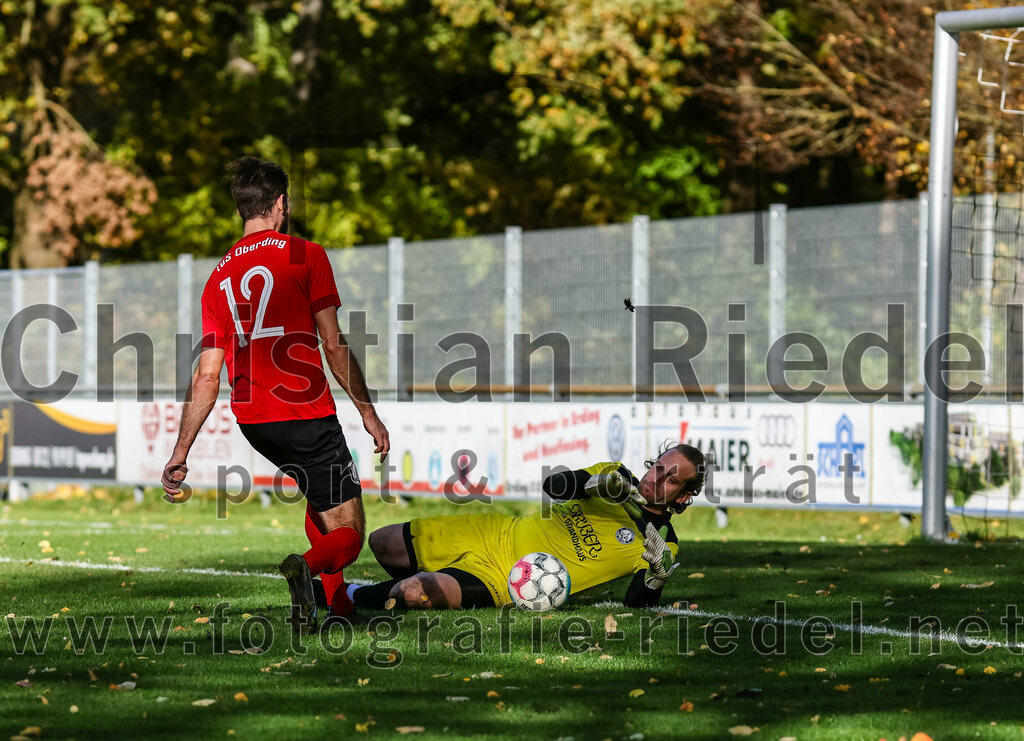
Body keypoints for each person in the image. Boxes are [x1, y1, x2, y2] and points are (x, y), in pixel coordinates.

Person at [160, 156, 389, 632]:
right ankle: (306, 568)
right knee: (349, 533)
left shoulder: (216, 280)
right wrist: (368, 413)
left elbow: (207, 376)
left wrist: (180, 452)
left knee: (318, 499)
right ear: (280, 204)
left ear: (242, 208)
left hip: (254, 420)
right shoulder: (305, 255)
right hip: (305, 413)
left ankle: (340, 609)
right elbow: (332, 344)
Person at [348, 442, 705, 610]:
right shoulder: (615, 474)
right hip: (496, 531)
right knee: (382, 540)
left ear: (683, 497)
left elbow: (635, 605)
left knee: (416, 591)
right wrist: (592, 484)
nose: (656, 479)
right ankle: (376, 591)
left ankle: (341, 597)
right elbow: (553, 486)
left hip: (510, 578)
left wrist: (656, 575)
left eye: (671, 480)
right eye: (658, 467)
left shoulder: (663, 543)